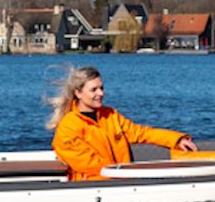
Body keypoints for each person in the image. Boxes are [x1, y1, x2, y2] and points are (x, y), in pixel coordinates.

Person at [47, 66, 197, 181]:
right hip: (92, 189)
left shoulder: (111, 116)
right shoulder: (68, 128)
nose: (101, 93)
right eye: (94, 90)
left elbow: (142, 133)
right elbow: (90, 164)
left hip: (121, 183)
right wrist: (123, 175)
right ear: (78, 93)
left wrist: (176, 140)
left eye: (101, 88)